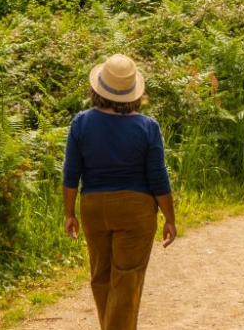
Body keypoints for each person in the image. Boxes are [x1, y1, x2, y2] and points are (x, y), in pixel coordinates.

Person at [62, 54, 175, 330]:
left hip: (93, 207)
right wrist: (169, 217)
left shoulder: (81, 123)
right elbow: (158, 178)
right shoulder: (148, 128)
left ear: (98, 88)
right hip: (135, 210)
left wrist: (69, 213)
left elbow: (71, 172)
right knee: (126, 279)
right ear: (133, 92)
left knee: (101, 277)